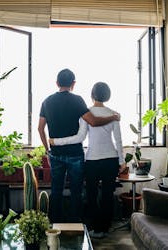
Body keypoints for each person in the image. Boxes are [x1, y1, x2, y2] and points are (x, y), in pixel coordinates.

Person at [38, 69, 119, 223]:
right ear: (73, 84)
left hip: (55, 153)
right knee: (76, 191)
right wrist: (113, 117)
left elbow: (40, 128)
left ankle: (54, 225)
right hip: (75, 154)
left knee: (56, 191)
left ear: (57, 83)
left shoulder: (46, 101)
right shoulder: (77, 100)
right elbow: (93, 121)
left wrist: (47, 150)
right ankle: (75, 227)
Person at [50, 81, 126, 238]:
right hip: (111, 159)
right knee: (107, 195)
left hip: (92, 160)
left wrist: (56, 141)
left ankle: (95, 229)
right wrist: (122, 161)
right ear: (107, 96)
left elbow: (80, 137)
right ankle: (104, 228)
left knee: (91, 195)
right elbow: (118, 141)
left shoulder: (87, 113)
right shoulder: (114, 114)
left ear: (92, 95)